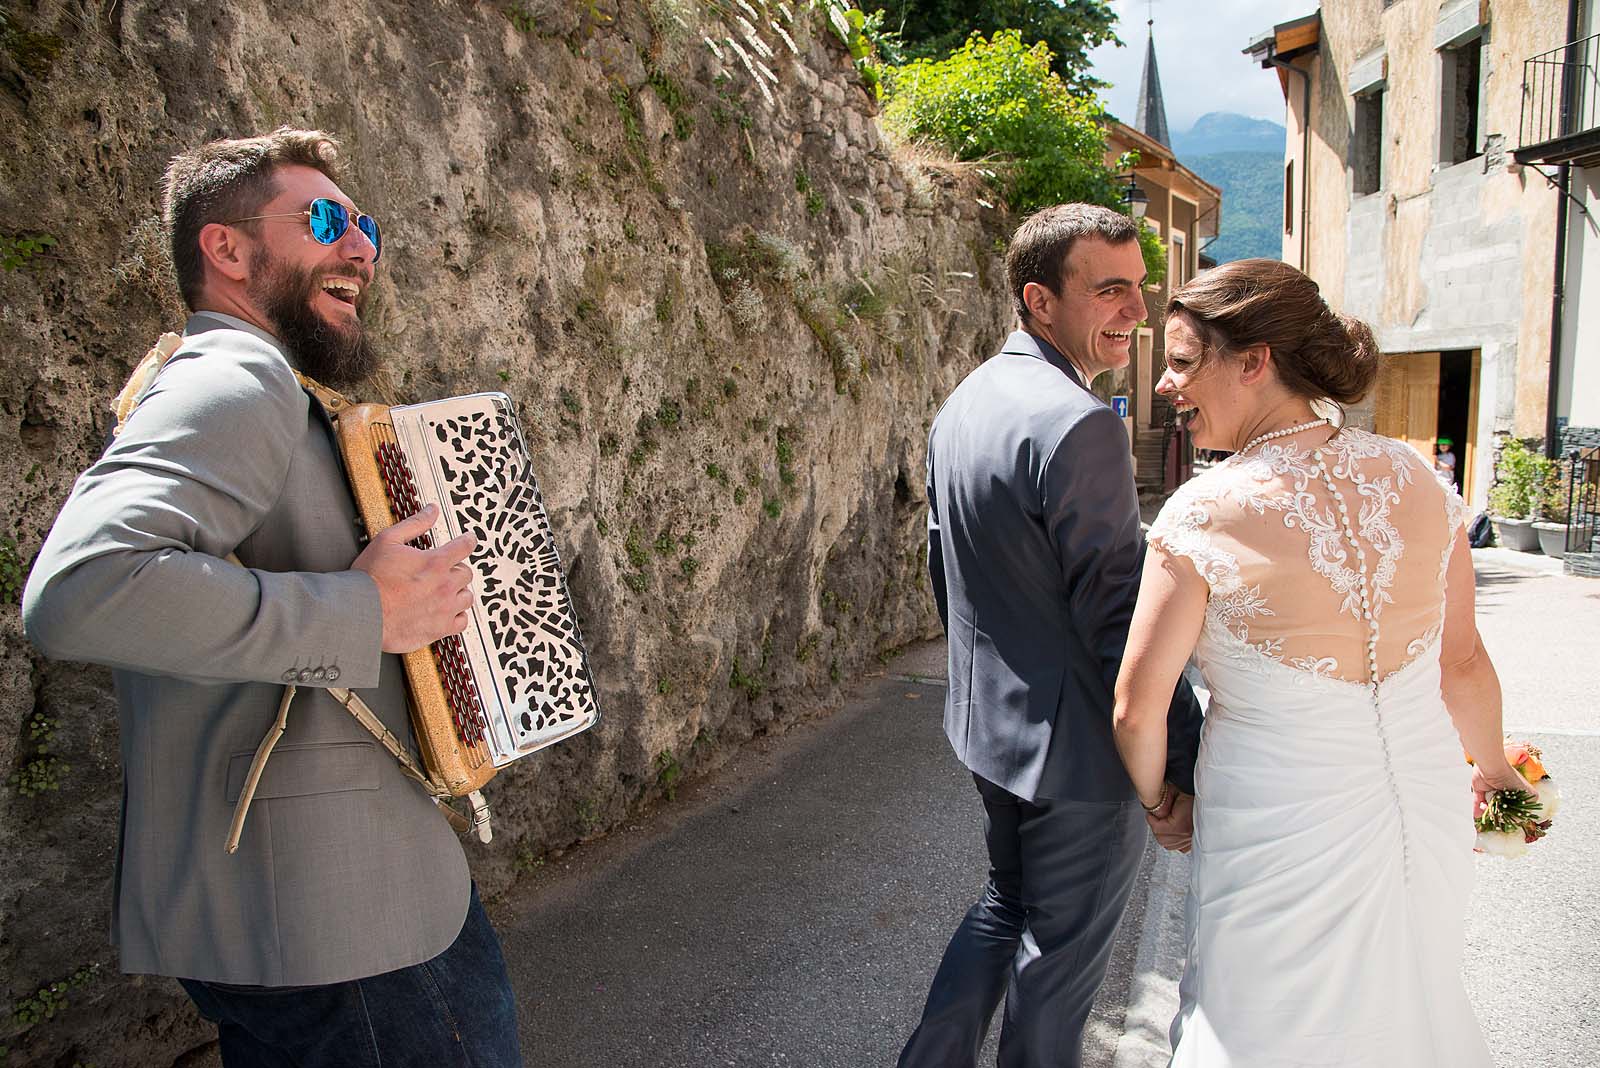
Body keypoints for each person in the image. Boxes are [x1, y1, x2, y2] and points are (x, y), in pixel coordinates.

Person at [22, 129, 523, 1067]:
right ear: (228, 249)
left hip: (309, 912)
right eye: (324, 220)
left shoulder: (258, 385)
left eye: (364, 223)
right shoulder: (237, 376)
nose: (362, 247)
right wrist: (362, 613)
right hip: (347, 922)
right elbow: (80, 590)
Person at [1112, 259, 1523, 1066]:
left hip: (1275, 823)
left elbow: (1137, 705)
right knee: (1411, 1003)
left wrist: (1161, 805)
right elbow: (1463, 662)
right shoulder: (1420, 478)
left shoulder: (1205, 510)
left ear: (1256, 361)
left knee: (1266, 1027)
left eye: (1185, 361)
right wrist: (1499, 771)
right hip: (1423, 809)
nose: (1165, 383)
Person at [901, 203, 1204, 1068]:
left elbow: (942, 566)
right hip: (1075, 759)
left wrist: (974, 690)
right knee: (1058, 967)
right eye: (1111, 291)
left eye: (1140, 290)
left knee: (1006, 907)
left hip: (987, 731)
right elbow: (1121, 619)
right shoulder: (1080, 426)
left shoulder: (966, 400)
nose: (1137, 313)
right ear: (1039, 299)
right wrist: (1183, 763)